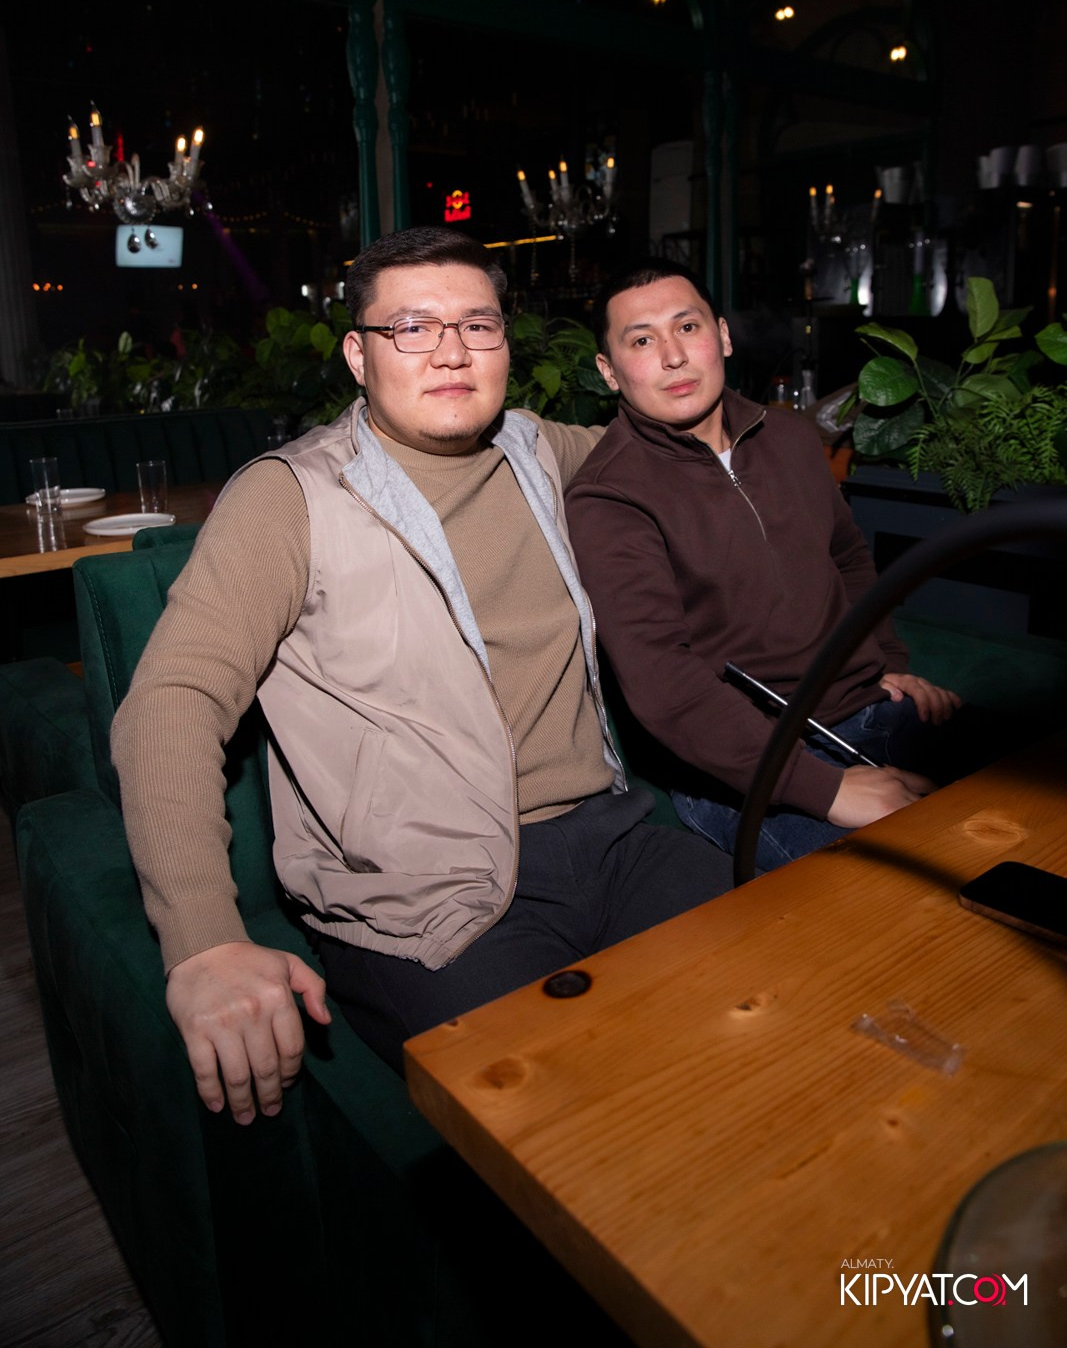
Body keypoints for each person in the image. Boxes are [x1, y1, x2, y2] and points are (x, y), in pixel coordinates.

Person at [112, 228, 733, 1120]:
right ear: (358, 356)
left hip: (618, 839)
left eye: (477, 326)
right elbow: (172, 701)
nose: (450, 352)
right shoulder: (290, 498)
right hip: (429, 896)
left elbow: (685, 454)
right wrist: (203, 939)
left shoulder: (539, 452)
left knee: (782, 1008)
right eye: (411, 327)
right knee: (579, 1118)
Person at [565, 260, 963, 872]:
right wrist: (828, 789)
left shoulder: (790, 437)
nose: (673, 356)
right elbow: (664, 682)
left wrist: (889, 661)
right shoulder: (608, 496)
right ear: (609, 371)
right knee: (886, 890)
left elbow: (848, 558)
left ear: (722, 336)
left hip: (866, 709)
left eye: (687, 327)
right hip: (741, 764)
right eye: (642, 341)